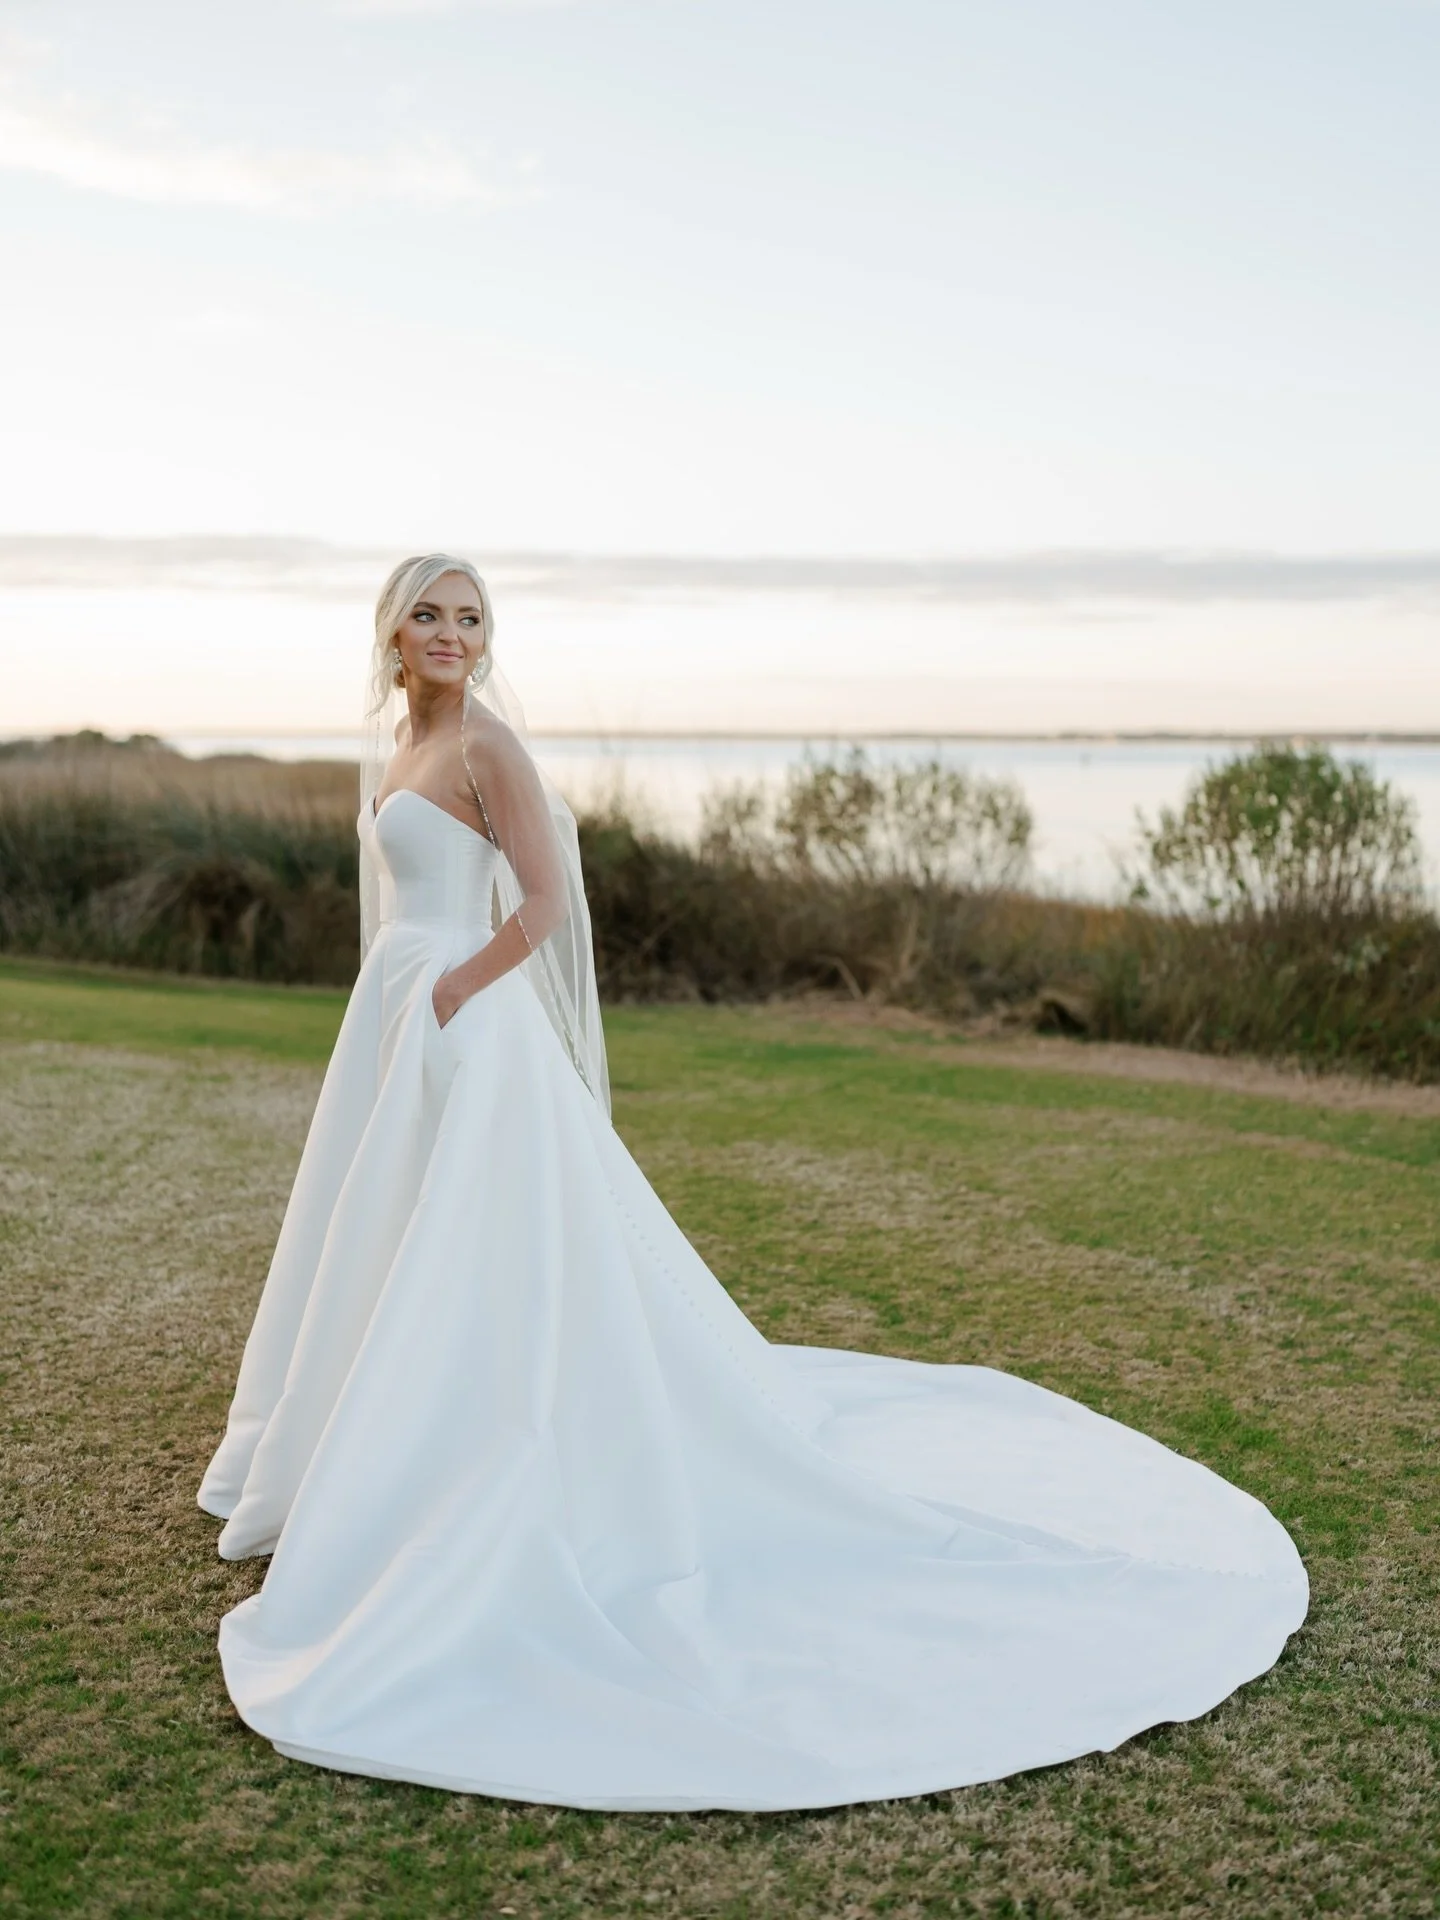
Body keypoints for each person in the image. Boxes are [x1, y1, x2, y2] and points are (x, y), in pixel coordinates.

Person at [198, 553, 1308, 1812]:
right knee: (385, 1233)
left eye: (470, 617)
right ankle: (360, 1444)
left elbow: (551, 905)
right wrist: (407, 991)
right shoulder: (401, 742)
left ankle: (470, 1454)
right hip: (398, 1012)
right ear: (394, 636)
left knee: (481, 1246)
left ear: (485, 638)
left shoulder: (489, 748)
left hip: (468, 1022)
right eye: (430, 616)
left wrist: (456, 985)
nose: (451, 634)